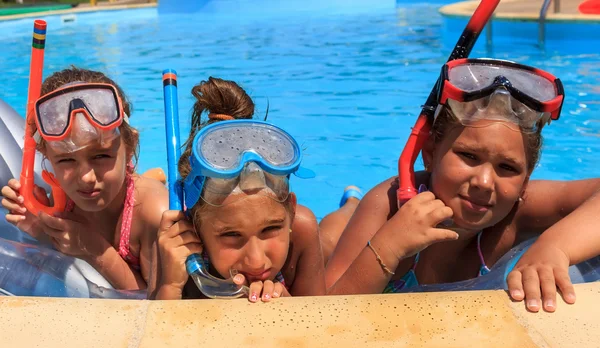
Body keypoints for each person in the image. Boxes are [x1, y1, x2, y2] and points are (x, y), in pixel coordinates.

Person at [324, 58, 600, 312]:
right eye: (468, 156)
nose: (484, 182)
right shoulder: (388, 205)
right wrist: (388, 247)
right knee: (329, 234)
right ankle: (351, 204)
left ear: (524, 183)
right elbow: (325, 313)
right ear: (429, 153)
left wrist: (555, 248)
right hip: (349, 230)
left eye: (508, 168)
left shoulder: (514, 212)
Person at [150, 77, 325, 301]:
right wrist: (171, 285)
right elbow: (158, 332)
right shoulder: (175, 243)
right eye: (231, 235)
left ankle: (351, 203)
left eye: (271, 229)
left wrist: (287, 305)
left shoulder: (302, 229)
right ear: (194, 226)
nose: (256, 261)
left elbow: (321, 327)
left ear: (290, 210)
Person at [1, 67, 168, 290]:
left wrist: (93, 248)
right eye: (66, 161)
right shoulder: (60, 201)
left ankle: (154, 177)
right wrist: (38, 226)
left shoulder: (153, 213)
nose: (86, 178)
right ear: (47, 156)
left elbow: (155, 303)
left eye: (101, 155)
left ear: (130, 148)